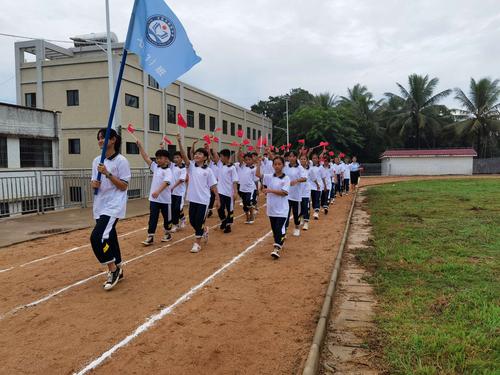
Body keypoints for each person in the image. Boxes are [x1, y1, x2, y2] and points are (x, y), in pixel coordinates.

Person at [90, 128, 130, 291]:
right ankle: (118, 264)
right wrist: (94, 184)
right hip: (100, 204)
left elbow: (124, 186)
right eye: (98, 138)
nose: (100, 140)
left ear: (113, 140)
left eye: (103, 138)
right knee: (110, 236)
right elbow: (93, 182)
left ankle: (113, 269)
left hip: (114, 205)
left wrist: (107, 174)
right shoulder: (96, 161)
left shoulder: (121, 161)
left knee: (97, 238)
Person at [176, 134, 220, 253]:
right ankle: (204, 230)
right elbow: (184, 155)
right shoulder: (191, 167)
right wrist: (180, 142)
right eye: (196, 154)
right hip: (192, 199)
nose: (196, 155)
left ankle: (197, 244)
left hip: (204, 200)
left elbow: (213, 185)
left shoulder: (209, 170)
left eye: (200, 154)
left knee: (199, 221)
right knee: (192, 222)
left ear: (205, 157)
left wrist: (217, 198)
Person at [137, 141, 174, 245]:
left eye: (160, 158)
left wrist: (157, 191)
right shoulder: (155, 167)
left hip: (165, 200)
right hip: (154, 199)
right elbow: (146, 157)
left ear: (166, 159)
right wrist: (140, 146)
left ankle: (168, 233)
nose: (157, 160)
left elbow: (166, 182)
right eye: (157, 158)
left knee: (167, 218)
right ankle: (150, 236)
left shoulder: (168, 171)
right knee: (153, 218)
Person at [256, 155, 290, 259]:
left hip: (282, 209)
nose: (277, 166)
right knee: (275, 230)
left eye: (279, 164)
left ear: (283, 165)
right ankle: (280, 241)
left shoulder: (286, 178)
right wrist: (258, 163)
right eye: (275, 164)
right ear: (273, 165)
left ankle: (276, 249)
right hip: (271, 209)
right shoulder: (269, 176)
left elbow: (284, 193)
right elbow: (258, 174)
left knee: (278, 228)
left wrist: (270, 190)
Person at [212, 148, 239, 233]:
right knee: (219, 207)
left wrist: (235, 192)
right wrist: (211, 147)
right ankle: (223, 221)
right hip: (220, 192)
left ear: (227, 157)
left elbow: (234, 181)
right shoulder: (220, 164)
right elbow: (215, 155)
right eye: (220, 156)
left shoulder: (232, 168)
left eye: (222, 156)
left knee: (230, 209)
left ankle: (228, 225)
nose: (220, 158)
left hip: (229, 193)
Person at [284, 150, 307, 236]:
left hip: (296, 195)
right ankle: (284, 230)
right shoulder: (285, 166)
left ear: (296, 157)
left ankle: (297, 226)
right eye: (290, 156)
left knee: (296, 213)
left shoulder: (300, 168)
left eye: (293, 156)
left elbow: (304, 178)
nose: (291, 158)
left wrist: (297, 180)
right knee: (286, 212)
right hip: (286, 194)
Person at [237, 150, 257, 224]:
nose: (247, 161)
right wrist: (240, 149)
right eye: (246, 160)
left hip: (250, 189)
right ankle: (247, 216)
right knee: (245, 205)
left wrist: (257, 189)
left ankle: (251, 215)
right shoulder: (242, 166)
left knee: (249, 202)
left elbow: (255, 180)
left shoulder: (254, 169)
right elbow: (239, 158)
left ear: (252, 160)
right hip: (242, 189)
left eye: (249, 159)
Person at [170, 151, 187, 232]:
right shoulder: (173, 166)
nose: (175, 159)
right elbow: (166, 161)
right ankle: (182, 218)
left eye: (177, 157)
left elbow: (181, 180)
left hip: (180, 192)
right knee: (174, 208)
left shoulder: (184, 169)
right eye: (174, 158)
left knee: (177, 208)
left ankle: (175, 224)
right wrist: (162, 148)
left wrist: (173, 187)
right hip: (172, 192)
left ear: (182, 158)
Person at [299, 153, 315, 230]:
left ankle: (306, 222)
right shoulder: (297, 169)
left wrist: (318, 185)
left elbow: (313, 178)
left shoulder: (310, 169)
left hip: (306, 191)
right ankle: (301, 217)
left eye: (304, 159)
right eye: (301, 159)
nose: (303, 160)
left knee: (305, 206)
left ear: (307, 160)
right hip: (298, 191)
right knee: (300, 207)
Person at [310, 152, 323, 219]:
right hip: (311, 186)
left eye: (315, 158)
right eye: (313, 158)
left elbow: (323, 177)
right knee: (313, 199)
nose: (314, 159)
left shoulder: (321, 167)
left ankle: (316, 212)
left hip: (318, 186)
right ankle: (315, 208)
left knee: (317, 198)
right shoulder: (310, 167)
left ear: (318, 159)